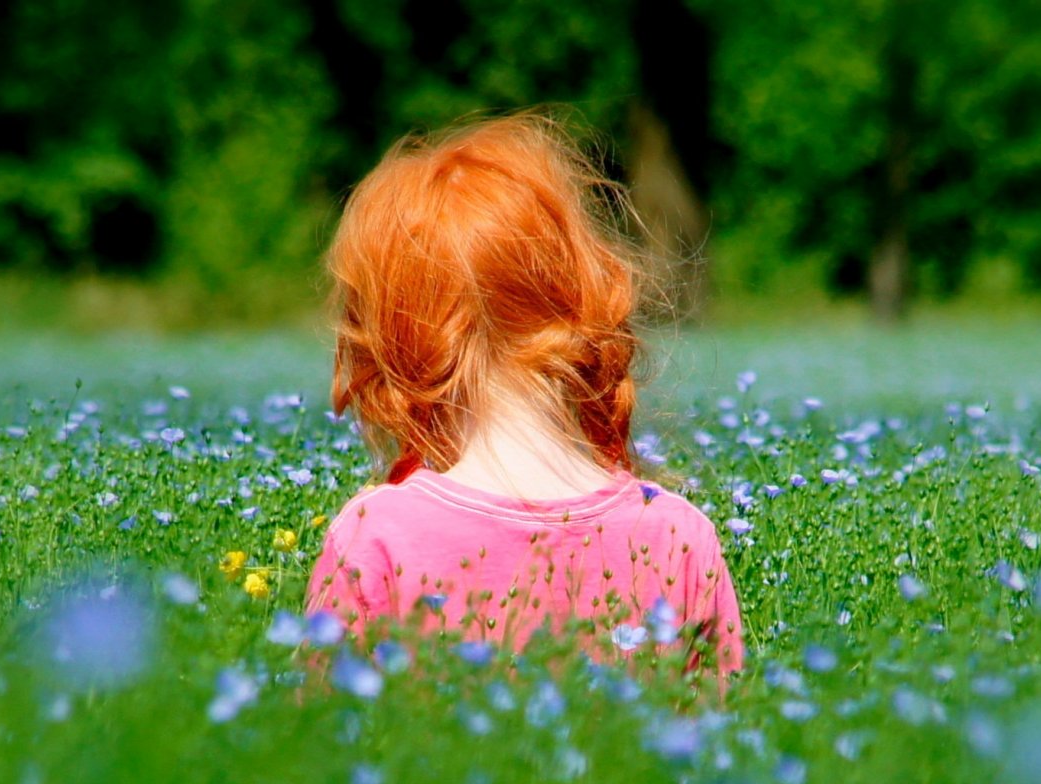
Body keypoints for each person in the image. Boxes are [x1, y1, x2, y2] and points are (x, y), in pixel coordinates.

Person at [304, 112, 743, 678]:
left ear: (393, 345)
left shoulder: (376, 537)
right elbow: (716, 726)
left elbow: (319, 727)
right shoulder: (678, 538)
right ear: (582, 294)